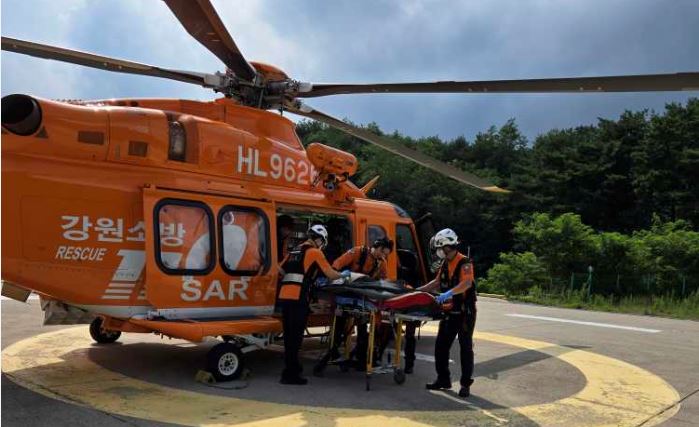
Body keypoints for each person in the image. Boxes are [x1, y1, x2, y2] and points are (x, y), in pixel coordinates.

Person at [278, 224, 350, 385]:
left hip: (285, 297)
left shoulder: (294, 251)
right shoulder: (315, 252)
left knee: (289, 337)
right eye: (322, 242)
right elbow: (330, 274)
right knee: (295, 338)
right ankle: (290, 375)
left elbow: (280, 270)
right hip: (298, 298)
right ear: (319, 240)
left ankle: (292, 369)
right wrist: (344, 275)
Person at [320, 238, 394, 372]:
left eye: (386, 255)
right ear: (377, 247)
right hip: (347, 293)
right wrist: (335, 277)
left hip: (362, 297)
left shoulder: (381, 263)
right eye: (383, 252)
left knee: (362, 325)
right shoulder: (358, 252)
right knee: (340, 323)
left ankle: (360, 355)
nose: (383, 256)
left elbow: (383, 280)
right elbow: (337, 264)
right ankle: (334, 350)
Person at [418, 228, 477, 397]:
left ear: (446, 247)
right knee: (441, 346)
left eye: (439, 248)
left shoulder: (464, 263)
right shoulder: (445, 263)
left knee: (465, 348)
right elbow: (437, 282)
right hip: (450, 312)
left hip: (465, 312)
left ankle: (465, 384)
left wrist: (448, 293)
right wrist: (418, 291)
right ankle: (443, 379)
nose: (438, 252)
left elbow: (466, 283)